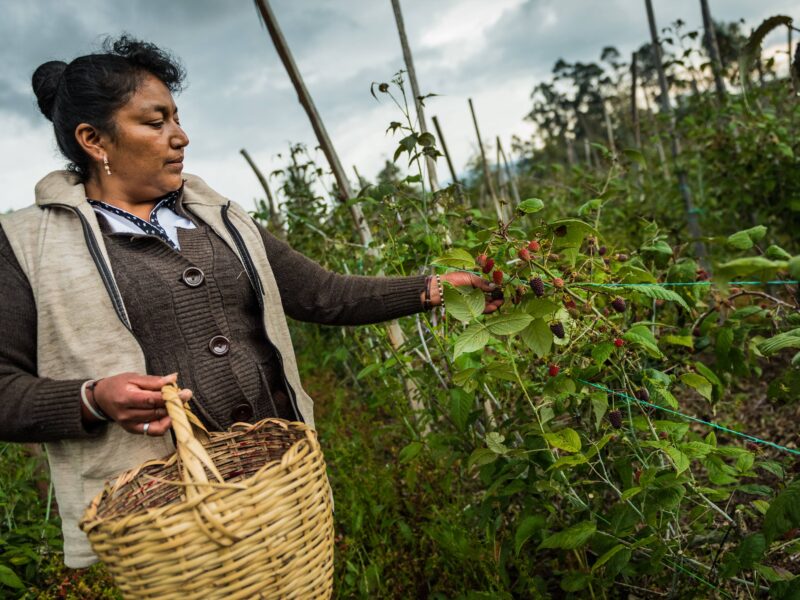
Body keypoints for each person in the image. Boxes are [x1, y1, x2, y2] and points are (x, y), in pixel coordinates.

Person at [0, 36, 503, 568]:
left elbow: (322, 294)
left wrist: (436, 288)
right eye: (156, 122)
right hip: (166, 519)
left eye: (177, 118)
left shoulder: (218, 218)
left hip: (282, 487)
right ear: (93, 139)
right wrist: (93, 398)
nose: (180, 137)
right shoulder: (29, 245)